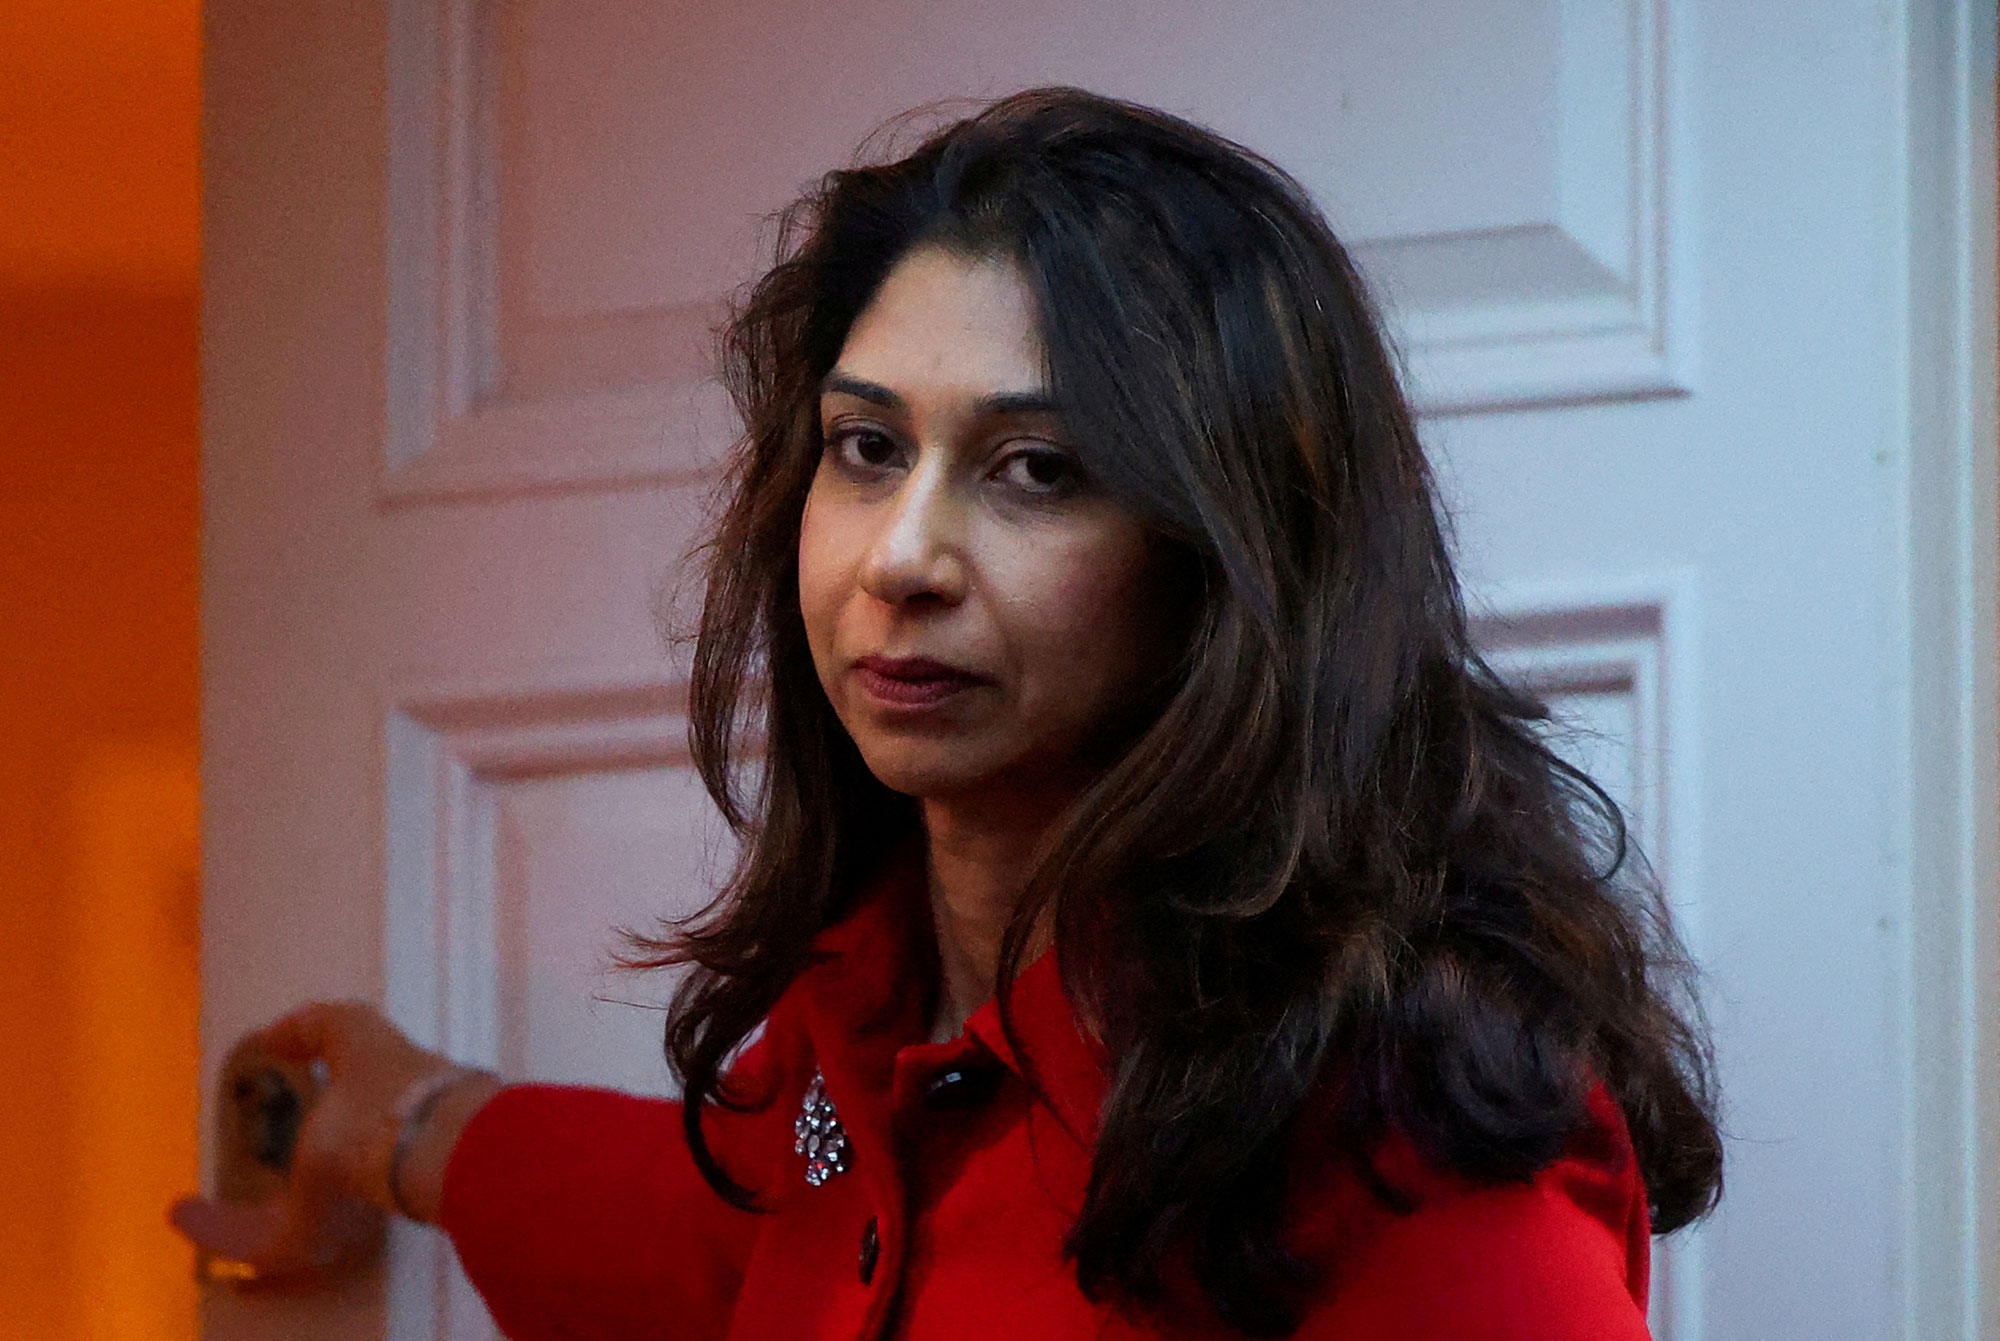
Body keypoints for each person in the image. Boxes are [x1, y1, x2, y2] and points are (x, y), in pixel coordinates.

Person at [172, 86, 1722, 1338]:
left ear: (1229, 556)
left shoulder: (1411, 1171)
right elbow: (706, 1236)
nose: (902, 557)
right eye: (866, 448)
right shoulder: (863, 1045)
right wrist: (403, 1120)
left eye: (1035, 469)